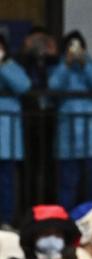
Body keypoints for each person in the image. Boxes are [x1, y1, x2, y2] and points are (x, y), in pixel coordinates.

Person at [48, 31, 92, 208]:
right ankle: (66, 219)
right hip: (67, 139)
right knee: (67, 185)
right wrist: (66, 64)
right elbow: (53, 86)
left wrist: (85, 64)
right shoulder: (59, 68)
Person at [17, 26, 59, 207]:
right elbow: (22, 83)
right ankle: (28, 207)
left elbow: (56, 83)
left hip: (50, 119)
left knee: (51, 166)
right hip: (29, 120)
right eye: (35, 42)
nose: (38, 46)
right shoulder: (22, 62)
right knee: (29, 168)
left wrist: (53, 55)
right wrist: (26, 53)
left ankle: (50, 206)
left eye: (43, 41)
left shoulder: (55, 62)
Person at [0, 32, 31, 226]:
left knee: (6, 182)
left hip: (6, 140)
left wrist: (3, 66)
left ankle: (6, 220)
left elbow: (24, 86)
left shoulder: (12, 67)